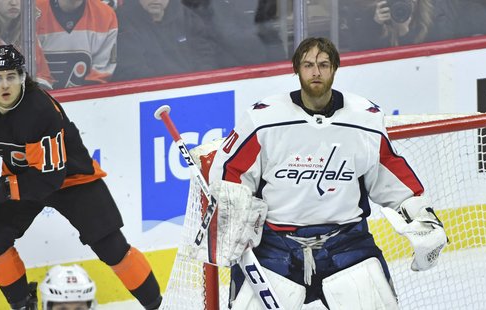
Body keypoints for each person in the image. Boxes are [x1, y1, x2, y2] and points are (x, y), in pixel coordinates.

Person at [0, 45, 162, 310]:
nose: (5, 85)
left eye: (11, 76)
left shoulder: (39, 110)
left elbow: (48, 180)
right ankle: (23, 305)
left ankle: (158, 305)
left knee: (111, 246)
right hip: (21, 180)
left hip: (72, 179)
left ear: (23, 78)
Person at [207, 37, 448, 308]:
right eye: (308, 64)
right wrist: (233, 222)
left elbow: (388, 172)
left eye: (323, 64)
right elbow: (231, 174)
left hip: (346, 243)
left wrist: (421, 216)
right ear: (296, 69)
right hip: (275, 247)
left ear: (334, 68)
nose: (316, 72)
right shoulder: (264, 120)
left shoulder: (364, 120)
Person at [112, 0, 217, 81]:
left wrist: (196, 83)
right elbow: (130, 71)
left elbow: (205, 59)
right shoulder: (123, 22)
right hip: (149, 95)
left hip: (192, 89)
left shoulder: (188, 19)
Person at [35, 0, 118, 88]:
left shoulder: (105, 15)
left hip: (85, 99)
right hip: (40, 97)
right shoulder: (31, 12)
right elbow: (34, 76)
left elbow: (99, 76)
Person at [348, 0, 435, 50]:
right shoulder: (373, 15)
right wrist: (375, 25)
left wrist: (404, 32)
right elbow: (359, 52)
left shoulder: (426, 19)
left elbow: (421, 60)